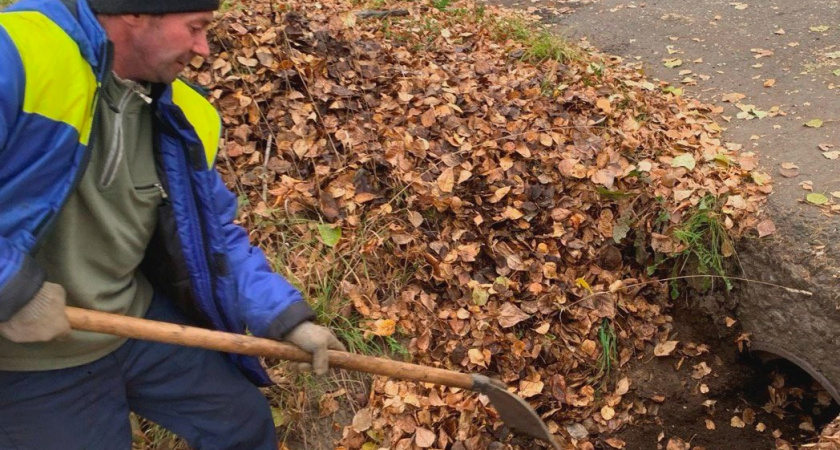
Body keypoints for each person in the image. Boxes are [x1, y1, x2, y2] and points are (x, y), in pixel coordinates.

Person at [0, 0, 346, 448]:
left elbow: (214, 235)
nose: (203, 48)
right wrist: (11, 289)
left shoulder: (182, 114)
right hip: (30, 360)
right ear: (136, 13)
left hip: (132, 320)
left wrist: (285, 318)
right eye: (195, 27)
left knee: (241, 422)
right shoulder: (20, 56)